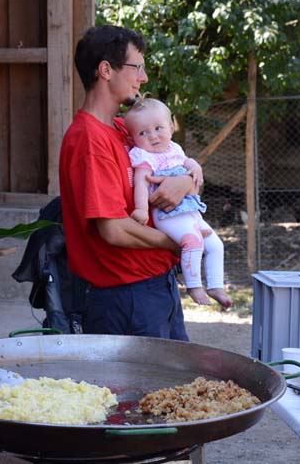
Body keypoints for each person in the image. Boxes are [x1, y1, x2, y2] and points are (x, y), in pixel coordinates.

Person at [59, 25, 196, 340]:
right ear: (106, 70)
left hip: (155, 287)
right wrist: (178, 242)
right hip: (126, 297)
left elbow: (172, 163)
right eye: (137, 67)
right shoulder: (89, 139)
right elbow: (114, 230)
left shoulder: (125, 129)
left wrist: (186, 181)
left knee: (174, 373)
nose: (143, 78)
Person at [125, 96, 233, 309]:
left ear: (171, 127)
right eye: (143, 133)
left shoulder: (174, 148)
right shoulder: (144, 156)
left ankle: (215, 285)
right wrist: (141, 209)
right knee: (193, 241)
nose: (153, 136)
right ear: (133, 138)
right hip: (168, 214)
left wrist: (195, 166)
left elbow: (186, 161)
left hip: (190, 210)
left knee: (215, 245)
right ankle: (193, 286)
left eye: (158, 128)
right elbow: (141, 183)